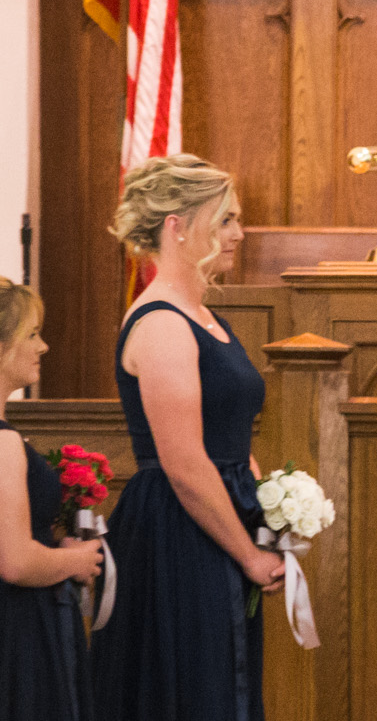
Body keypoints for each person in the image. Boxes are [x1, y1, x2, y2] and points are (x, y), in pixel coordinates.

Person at [94, 156, 285, 721]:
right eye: (225, 220)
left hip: (216, 520)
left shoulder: (203, 316)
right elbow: (183, 462)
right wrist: (247, 554)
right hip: (178, 531)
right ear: (178, 226)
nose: (239, 234)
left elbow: (226, 436)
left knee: (228, 684)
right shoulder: (160, 323)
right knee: (193, 688)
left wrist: (270, 510)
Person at [0, 279, 104, 721]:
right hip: (16, 630)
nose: (43, 346)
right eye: (32, 334)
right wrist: (77, 561)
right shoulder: (2, 444)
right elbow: (16, 562)